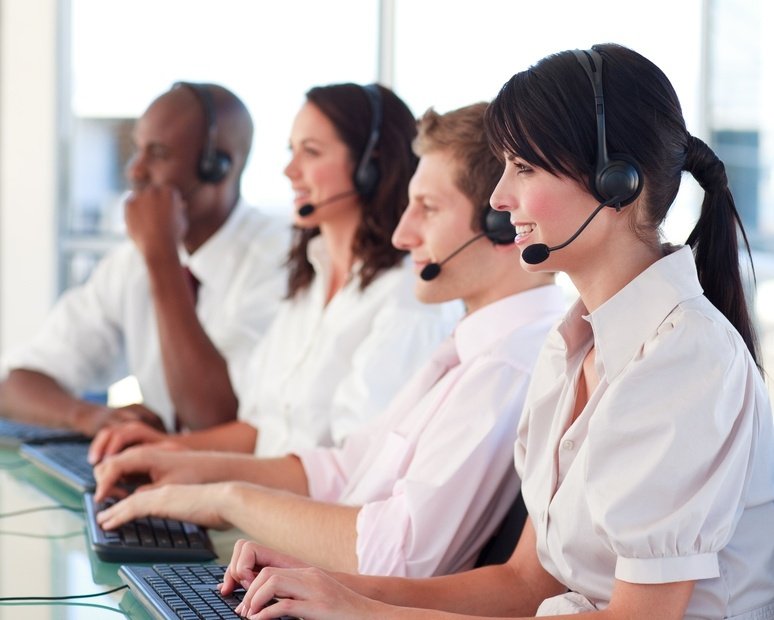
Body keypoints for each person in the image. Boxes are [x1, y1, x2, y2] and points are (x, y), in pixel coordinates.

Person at [215, 44, 774, 620]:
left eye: (524, 168)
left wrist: (361, 613)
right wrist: (321, 585)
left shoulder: (685, 359)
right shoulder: (571, 347)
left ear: (616, 181)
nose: (499, 197)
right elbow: (524, 583)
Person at [92, 102, 565, 577]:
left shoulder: (508, 364)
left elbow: (395, 557)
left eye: (427, 208)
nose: (405, 235)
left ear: (503, 222)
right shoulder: (468, 347)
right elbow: (345, 468)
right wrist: (195, 470)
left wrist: (227, 499)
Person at [87, 82, 461, 458]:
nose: (289, 170)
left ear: (370, 166)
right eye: (291, 151)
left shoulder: (405, 299)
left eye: (311, 152)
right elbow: (261, 432)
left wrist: (213, 487)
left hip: (294, 512)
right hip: (257, 503)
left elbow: (350, 473)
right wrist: (163, 449)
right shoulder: (308, 282)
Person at [0, 82, 290, 436]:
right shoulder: (130, 262)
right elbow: (16, 384)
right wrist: (90, 416)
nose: (135, 171)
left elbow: (214, 417)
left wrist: (162, 257)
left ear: (218, 165)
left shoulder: (279, 261)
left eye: (159, 153)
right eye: (138, 150)